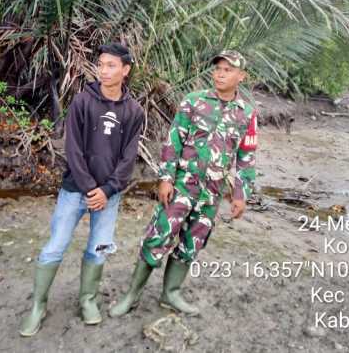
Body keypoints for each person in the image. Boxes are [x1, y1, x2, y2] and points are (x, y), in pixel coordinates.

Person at [109, 50, 256, 318]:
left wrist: (240, 194)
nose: (220, 74)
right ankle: (132, 295)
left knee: (192, 243)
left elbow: (246, 157)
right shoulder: (194, 102)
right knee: (158, 236)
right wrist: (166, 178)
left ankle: (171, 293)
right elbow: (173, 141)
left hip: (211, 194)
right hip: (180, 187)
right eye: (218, 69)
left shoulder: (246, 114)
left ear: (241, 76)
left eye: (228, 70)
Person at [19, 43, 144, 337]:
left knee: (99, 247)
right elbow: (72, 149)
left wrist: (108, 189)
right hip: (76, 189)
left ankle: (87, 299)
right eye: (101, 64)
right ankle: (38, 305)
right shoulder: (82, 102)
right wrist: (90, 188)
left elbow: (129, 157)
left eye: (111, 65)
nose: (104, 70)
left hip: (109, 196)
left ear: (125, 70)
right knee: (56, 245)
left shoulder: (133, 111)